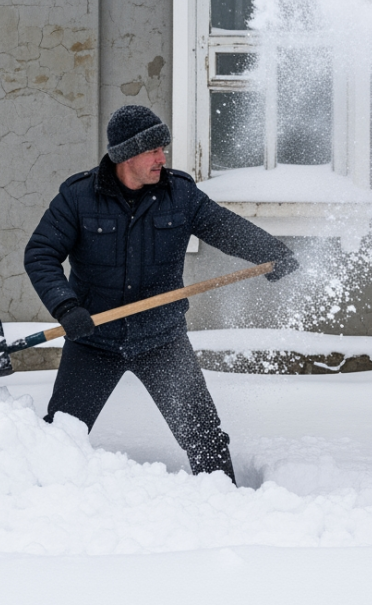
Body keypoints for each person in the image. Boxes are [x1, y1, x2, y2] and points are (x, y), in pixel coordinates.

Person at [25, 105, 299, 484]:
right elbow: (40, 254)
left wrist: (272, 253)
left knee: (204, 437)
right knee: (61, 434)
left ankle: (228, 510)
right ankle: (38, 505)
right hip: (93, 339)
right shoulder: (79, 197)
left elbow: (225, 228)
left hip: (160, 338)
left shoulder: (180, 195)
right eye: (153, 150)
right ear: (126, 155)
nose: (162, 158)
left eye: (163, 149)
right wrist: (66, 306)